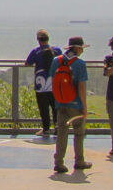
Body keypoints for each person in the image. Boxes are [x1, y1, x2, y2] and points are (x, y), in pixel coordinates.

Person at [52, 36, 91, 175]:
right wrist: (84, 106)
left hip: (60, 102)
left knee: (62, 132)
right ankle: (79, 161)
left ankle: (59, 162)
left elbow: (53, 81)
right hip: (76, 104)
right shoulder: (80, 64)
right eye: (81, 48)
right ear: (78, 48)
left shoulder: (57, 61)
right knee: (79, 133)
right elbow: (81, 86)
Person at [24, 29, 59, 136]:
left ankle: (46, 129)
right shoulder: (57, 50)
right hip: (54, 84)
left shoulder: (36, 51)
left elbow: (27, 63)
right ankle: (58, 128)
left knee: (43, 108)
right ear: (48, 39)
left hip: (41, 84)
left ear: (38, 40)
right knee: (55, 107)